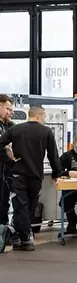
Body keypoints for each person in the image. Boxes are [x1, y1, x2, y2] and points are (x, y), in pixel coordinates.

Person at [0, 105, 61, 251]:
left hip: (18, 174)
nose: (44, 120)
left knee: (20, 207)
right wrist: (56, 174)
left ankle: (23, 238)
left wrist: (8, 160)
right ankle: (25, 238)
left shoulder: (15, 129)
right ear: (39, 116)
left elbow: (0, 144)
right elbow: (53, 154)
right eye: (44, 117)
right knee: (30, 208)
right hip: (36, 175)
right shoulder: (46, 131)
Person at [0, 94, 14, 252]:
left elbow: (11, 148)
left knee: (4, 204)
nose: (10, 112)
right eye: (7, 109)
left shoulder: (11, 127)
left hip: (6, 171)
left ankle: (3, 234)